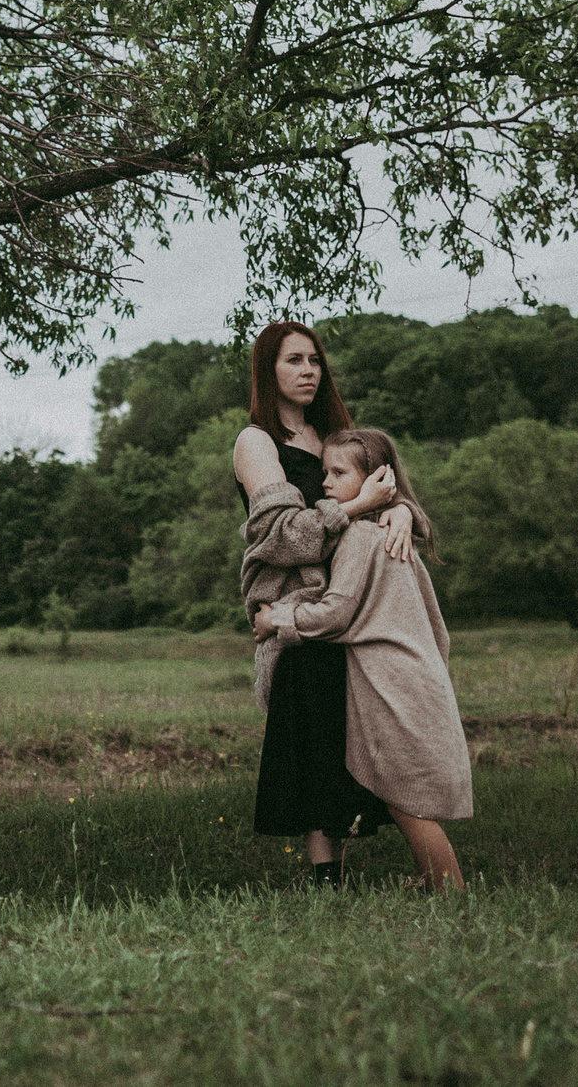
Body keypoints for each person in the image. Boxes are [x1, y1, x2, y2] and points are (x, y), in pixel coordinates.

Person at [234, 320, 413, 888]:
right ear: (270, 370)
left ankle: (412, 861)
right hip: (300, 607)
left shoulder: (337, 436)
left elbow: (392, 492)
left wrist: (400, 510)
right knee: (313, 739)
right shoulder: (257, 442)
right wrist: (360, 505)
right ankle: (325, 881)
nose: (308, 371)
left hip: (359, 605)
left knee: (364, 733)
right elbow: (284, 535)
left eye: (314, 360)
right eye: (293, 361)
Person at [259, 426, 472, 892]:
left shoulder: (358, 537)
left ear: (376, 478)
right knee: (405, 791)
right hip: (420, 671)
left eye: (338, 473)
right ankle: (432, 879)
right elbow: (438, 627)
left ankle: (450, 888)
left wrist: (279, 618)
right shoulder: (395, 535)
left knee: (404, 797)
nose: (326, 483)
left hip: (389, 680)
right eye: (323, 472)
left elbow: (336, 613)